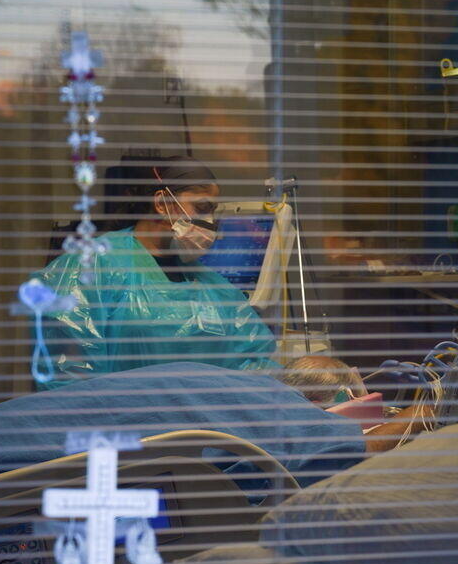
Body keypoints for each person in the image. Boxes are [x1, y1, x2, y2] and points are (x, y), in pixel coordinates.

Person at [35, 155, 278, 389]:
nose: (211, 221)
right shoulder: (91, 267)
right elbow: (68, 377)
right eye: (202, 207)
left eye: (213, 210)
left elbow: (254, 363)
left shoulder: (211, 286)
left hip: (204, 429)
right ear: (162, 203)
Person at [281, 354, 435, 453]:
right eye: (351, 401)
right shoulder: (310, 442)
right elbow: (366, 447)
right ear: (314, 407)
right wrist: (423, 412)